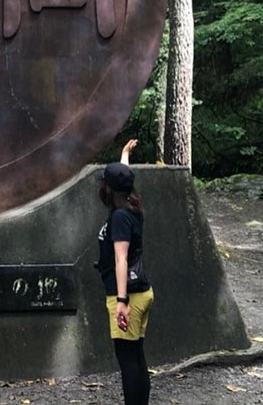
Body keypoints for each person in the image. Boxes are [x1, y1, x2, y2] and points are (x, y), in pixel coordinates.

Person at [95, 139, 154, 404]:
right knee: (136, 355)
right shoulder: (131, 206)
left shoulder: (119, 217)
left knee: (128, 360)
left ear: (109, 190)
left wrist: (121, 301)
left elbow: (120, 259)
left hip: (127, 295)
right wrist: (124, 156)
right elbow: (123, 179)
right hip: (142, 291)